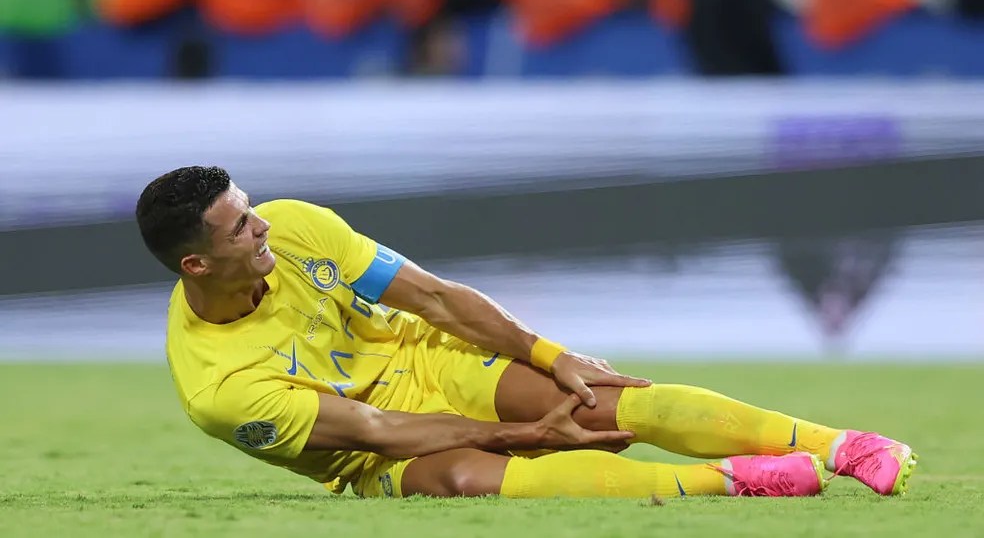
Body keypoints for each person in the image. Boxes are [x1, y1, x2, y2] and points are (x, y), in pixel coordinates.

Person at [136, 166, 917, 499]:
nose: (264, 223)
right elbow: (380, 429)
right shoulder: (221, 391)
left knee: (600, 399)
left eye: (252, 205)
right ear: (198, 264)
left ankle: (845, 446)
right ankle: (741, 481)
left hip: (428, 362)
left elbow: (436, 299)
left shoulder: (300, 228)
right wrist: (519, 435)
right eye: (242, 226)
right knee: (471, 480)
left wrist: (550, 355)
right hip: (369, 455)